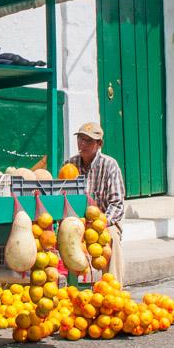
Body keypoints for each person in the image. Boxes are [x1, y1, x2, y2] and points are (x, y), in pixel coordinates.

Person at [64, 122, 126, 284]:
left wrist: (101, 224)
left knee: (111, 238)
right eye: (80, 139)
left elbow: (117, 204)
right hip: (77, 223)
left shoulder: (109, 165)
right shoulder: (69, 165)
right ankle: (71, 289)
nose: (82, 144)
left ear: (99, 144)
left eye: (88, 141)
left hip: (104, 222)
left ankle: (113, 289)